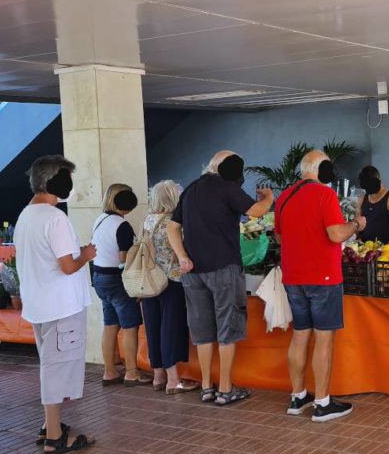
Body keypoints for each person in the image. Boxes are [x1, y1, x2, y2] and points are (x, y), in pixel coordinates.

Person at [167, 151, 275, 406]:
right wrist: (269, 197)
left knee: (202, 329)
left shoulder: (192, 188)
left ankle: (206, 387)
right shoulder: (227, 187)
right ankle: (225, 389)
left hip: (193, 272)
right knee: (228, 326)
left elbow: (173, 226)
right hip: (224, 268)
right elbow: (258, 212)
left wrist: (182, 256)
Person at [14, 155, 96, 454]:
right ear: (53, 182)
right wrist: (86, 254)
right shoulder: (55, 218)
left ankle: (51, 426)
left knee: (51, 366)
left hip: (40, 304)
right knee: (56, 370)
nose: (71, 186)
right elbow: (67, 266)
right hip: (61, 307)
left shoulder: (27, 214)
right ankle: (54, 436)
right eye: (68, 179)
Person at [276, 151, 366, 422]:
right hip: (323, 278)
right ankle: (323, 403)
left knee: (301, 334)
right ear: (322, 168)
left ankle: (297, 396)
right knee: (324, 337)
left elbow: (279, 237)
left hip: (293, 277)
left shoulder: (284, 196)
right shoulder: (325, 195)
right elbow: (336, 233)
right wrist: (355, 224)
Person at [141, 180, 198, 394]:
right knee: (171, 329)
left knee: (153, 328)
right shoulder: (174, 224)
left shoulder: (147, 220)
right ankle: (173, 380)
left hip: (149, 282)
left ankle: (158, 376)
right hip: (171, 282)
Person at [91, 183, 150, 387]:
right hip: (118, 280)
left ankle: (109, 371)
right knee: (130, 326)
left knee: (110, 326)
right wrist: (135, 286)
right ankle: (132, 372)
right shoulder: (121, 225)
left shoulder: (100, 220)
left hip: (100, 278)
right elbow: (125, 261)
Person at [355, 165, 389, 243]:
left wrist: (388, 247)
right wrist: (356, 239)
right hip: (365, 248)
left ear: (379, 180)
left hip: (386, 249)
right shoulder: (362, 199)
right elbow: (357, 223)